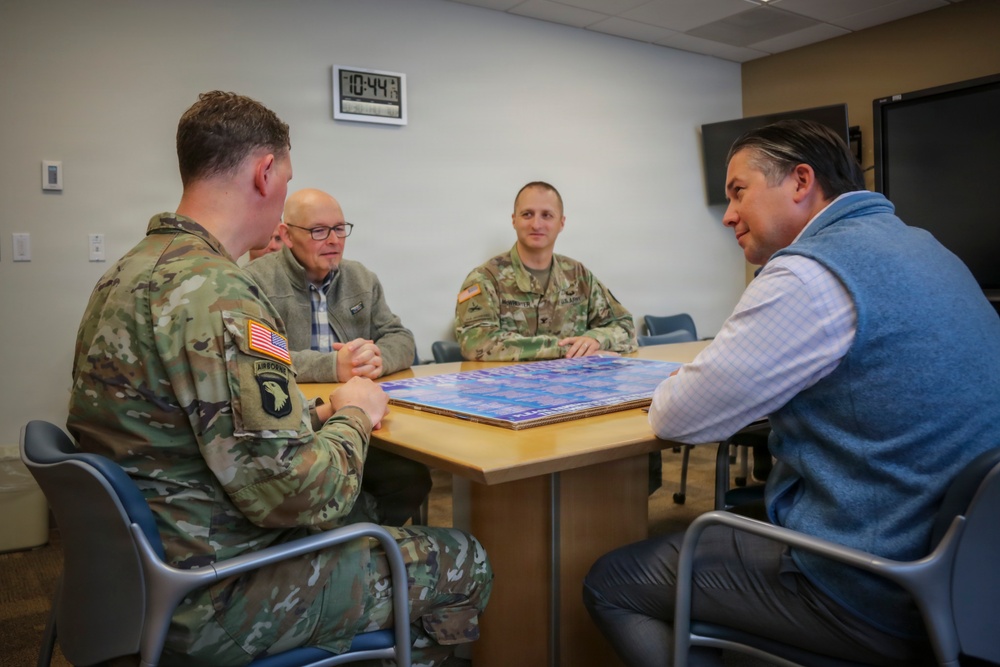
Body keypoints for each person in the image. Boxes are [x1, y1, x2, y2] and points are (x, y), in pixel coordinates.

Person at [67, 90, 492, 666]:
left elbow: (203, 420)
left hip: (137, 573)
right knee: (463, 556)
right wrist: (354, 413)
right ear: (266, 174)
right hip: (217, 591)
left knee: (369, 513)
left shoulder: (129, 270)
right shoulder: (219, 293)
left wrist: (315, 414)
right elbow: (301, 497)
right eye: (287, 180)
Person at [583, 119, 1000, 666]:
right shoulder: (928, 249)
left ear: (801, 182)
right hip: (970, 579)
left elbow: (677, 417)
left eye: (738, 192)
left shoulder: (808, 275)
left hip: (872, 588)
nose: (728, 214)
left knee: (611, 582)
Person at [245, 188, 431, 526]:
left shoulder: (361, 278)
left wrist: (378, 359)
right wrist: (333, 366)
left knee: (411, 477)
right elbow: (261, 358)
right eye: (318, 231)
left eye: (340, 228)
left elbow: (402, 338)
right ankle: (336, 539)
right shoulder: (256, 282)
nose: (333, 240)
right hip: (299, 423)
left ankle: (360, 539)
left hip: (362, 417)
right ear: (286, 235)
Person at [454, 181, 637, 361]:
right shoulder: (485, 279)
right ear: (514, 220)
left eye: (547, 215)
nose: (536, 224)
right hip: (510, 388)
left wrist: (595, 340)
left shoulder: (578, 275)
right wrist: (563, 350)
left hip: (572, 387)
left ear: (561, 223)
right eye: (527, 214)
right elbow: (475, 343)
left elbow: (625, 326)